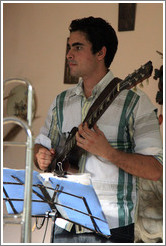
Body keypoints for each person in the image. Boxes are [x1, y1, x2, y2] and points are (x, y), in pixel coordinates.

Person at [34, 16, 163, 243]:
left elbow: (156, 169)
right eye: (69, 47)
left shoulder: (136, 103)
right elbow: (42, 146)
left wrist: (108, 152)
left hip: (112, 229)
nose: (69, 55)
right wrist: (41, 157)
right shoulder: (61, 102)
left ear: (101, 53)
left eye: (77, 47)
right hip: (64, 224)